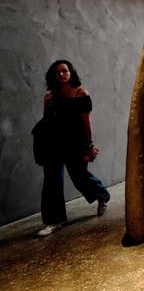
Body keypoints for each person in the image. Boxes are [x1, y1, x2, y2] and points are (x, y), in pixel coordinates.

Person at [36, 60, 110, 237]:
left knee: (80, 178)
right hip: (53, 144)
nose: (61, 74)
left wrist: (89, 145)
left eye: (64, 71)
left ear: (70, 73)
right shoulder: (49, 97)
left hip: (75, 144)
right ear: (53, 76)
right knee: (52, 180)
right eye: (57, 72)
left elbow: (87, 122)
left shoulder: (80, 94)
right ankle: (54, 220)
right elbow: (47, 123)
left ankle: (102, 195)